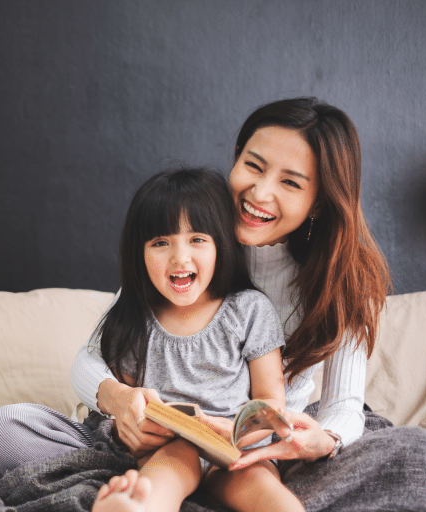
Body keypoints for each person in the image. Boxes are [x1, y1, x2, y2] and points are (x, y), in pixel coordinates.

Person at [0, 97, 426, 510]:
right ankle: (153, 494)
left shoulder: (336, 286)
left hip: (258, 448)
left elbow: (339, 406)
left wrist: (320, 439)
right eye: (253, 166)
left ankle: (153, 494)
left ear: (319, 202)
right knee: (4, 431)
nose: (260, 193)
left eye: (291, 183)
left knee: (418, 456)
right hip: (149, 440)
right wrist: (121, 405)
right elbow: (94, 358)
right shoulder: (187, 242)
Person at [85, 167, 303, 512]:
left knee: (264, 488)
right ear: (138, 254)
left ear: (222, 244)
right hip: (170, 447)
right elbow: (125, 404)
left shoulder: (248, 309)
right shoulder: (134, 320)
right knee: (167, 471)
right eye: (160, 243)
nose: (180, 257)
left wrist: (234, 431)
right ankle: (137, 507)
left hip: (235, 448)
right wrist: (131, 431)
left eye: (197, 239)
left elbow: (271, 403)